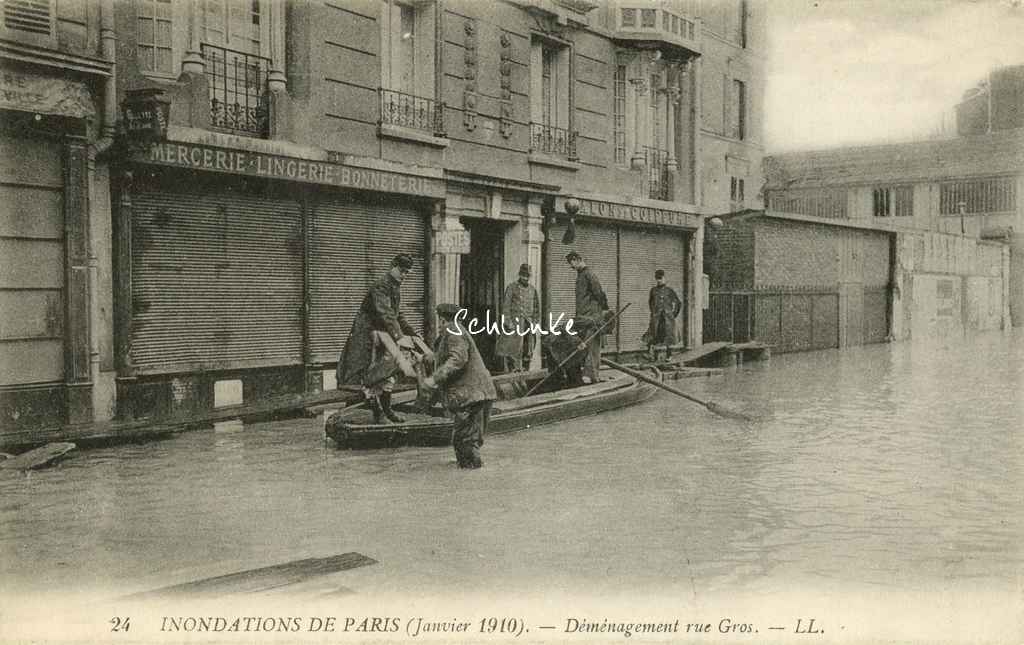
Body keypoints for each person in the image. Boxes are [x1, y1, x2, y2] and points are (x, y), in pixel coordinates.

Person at [337, 253, 419, 424]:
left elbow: (397, 314)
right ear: (392, 266)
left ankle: (386, 410)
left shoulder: (394, 286)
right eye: (402, 271)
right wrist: (399, 336)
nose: (404, 275)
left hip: (383, 336)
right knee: (368, 374)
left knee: (387, 371)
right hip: (367, 336)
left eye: (407, 273)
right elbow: (385, 313)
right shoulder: (381, 285)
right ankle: (377, 412)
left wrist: (412, 333)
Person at [422, 303, 497, 469]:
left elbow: (458, 359)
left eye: (439, 321)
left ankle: (475, 482)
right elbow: (452, 356)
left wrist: (434, 379)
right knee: (463, 441)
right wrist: (431, 358)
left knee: (466, 442)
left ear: (442, 320)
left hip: (471, 396)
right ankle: (470, 478)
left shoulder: (453, 331)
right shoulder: (456, 330)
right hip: (474, 395)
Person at [565, 251, 609, 384]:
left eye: (572, 264)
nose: (572, 267)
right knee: (583, 345)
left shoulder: (589, 274)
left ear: (578, 259)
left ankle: (591, 376)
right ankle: (585, 376)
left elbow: (599, 294)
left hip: (591, 317)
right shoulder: (581, 275)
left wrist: (602, 313)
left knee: (593, 345)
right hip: (583, 317)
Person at [494, 263, 540, 373]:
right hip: (515, 323)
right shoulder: (511, 287)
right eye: (523, 275)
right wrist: (508, 321)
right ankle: (513, 370)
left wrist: (535, 322)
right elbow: (506, 305)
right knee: (512, 348)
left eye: (527, 276)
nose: (525, 278)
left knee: (528, 348)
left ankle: (525, 369)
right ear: (519, 275)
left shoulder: (533, 290)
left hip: (528, 323)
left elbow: (537, 308)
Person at [643, 269, 682, 361]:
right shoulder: (653, 290)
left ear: (665, 278)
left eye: (661, 278)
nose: (659, 280)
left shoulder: (669, 291)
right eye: (657, 279)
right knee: (653, 334)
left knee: (668, 336)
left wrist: (673, 314)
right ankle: (650, 354)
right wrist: (653, 312)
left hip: (667, 318)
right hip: (657, 318)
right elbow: (650, 302)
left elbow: (678, 303)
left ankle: (669, 355)